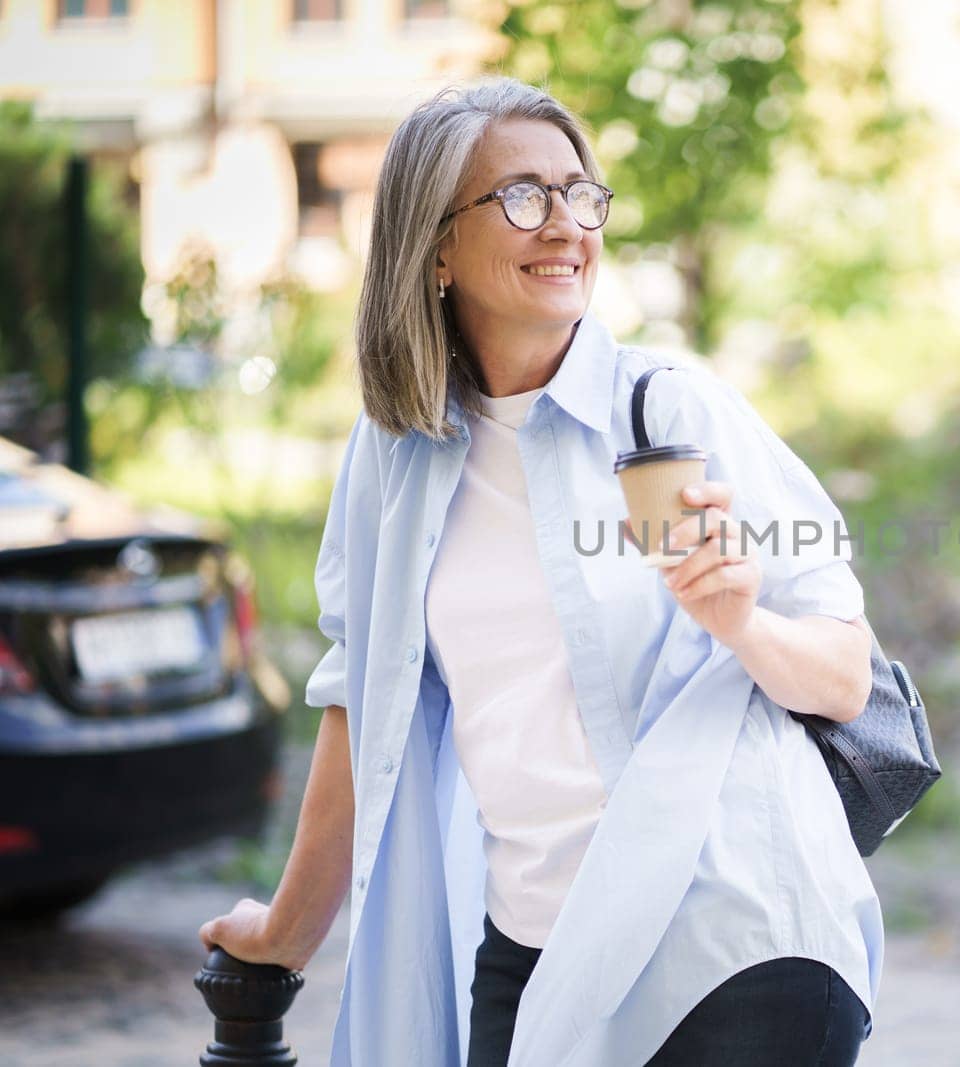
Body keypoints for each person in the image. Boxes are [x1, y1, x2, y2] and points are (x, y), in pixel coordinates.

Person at [196, 77, 883, 1066]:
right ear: (434, 245)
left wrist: (744, 622)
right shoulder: (393, 457)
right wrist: (285, 936)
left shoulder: (671, 410)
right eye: (522, 196)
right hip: (534, 942)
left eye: (580, 194)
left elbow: (845, 669)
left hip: (732, 931)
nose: (564, 223)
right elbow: (364, 709)